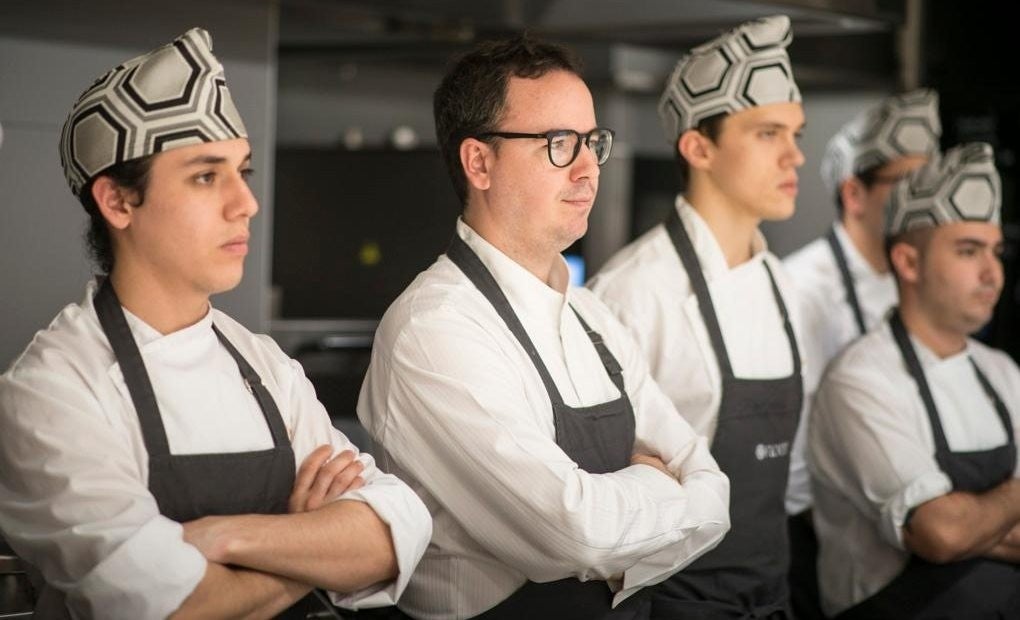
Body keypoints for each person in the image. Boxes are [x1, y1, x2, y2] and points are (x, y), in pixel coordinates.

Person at [0, 27, 431, 619]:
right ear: (118, 202)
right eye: (206, 176)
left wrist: (227, 538)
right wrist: (303, 541)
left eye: (242, 171)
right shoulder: (53, 391)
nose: (245, 203)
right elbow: (171, 608)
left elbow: (396, 531)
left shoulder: (263, 363)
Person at [357, 35, 730, 620]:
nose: (587, 169)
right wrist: (658, 484)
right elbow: (574, 532)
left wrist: (624, 514)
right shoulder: (435, 332)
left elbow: (714, 493)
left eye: (592, 141)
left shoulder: (593, 318)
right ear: (479, 162)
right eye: (558, 143)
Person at [589, 15, 806, 619]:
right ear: (698, 146)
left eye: (796, 133)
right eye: (768, 133)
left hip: (774, 596)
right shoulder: (632, 292)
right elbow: (604, 485)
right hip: (673, 605)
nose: (796, 155)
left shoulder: (780, 284)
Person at [809, 142, 1020, 618]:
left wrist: (974, 518)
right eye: (968, 251)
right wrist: (1010, 497)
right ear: (907, 262)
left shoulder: (1003, 373)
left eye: (996, 252)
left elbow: (958, 528)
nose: (993, 274)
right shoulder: (861, 381)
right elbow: (940, 533)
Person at [781, 89, 941, 618]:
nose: (931, 199)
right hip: (830, 542)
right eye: (911, 183)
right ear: (855, 195)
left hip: (919, 523)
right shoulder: (803, 287)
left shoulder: (919, 282)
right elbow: (793, 447)